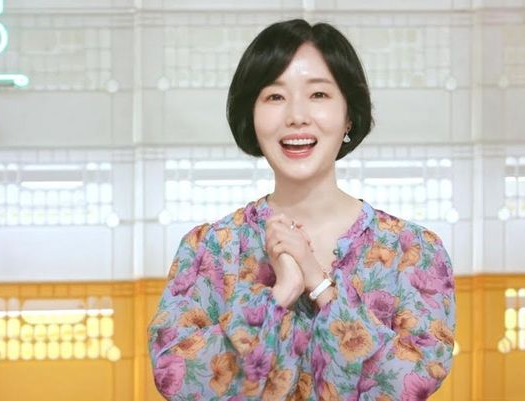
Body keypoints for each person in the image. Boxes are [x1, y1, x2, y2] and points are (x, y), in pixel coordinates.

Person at [148, 18, 455, 401]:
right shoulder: (209, 251)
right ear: (252, 116)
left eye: (319, 94)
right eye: (275, 97)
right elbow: (177, 378)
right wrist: (279, 295)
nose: (296, 115)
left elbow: (411, 380)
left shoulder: (413, 252)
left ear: (349, 115)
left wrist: (317, 281)